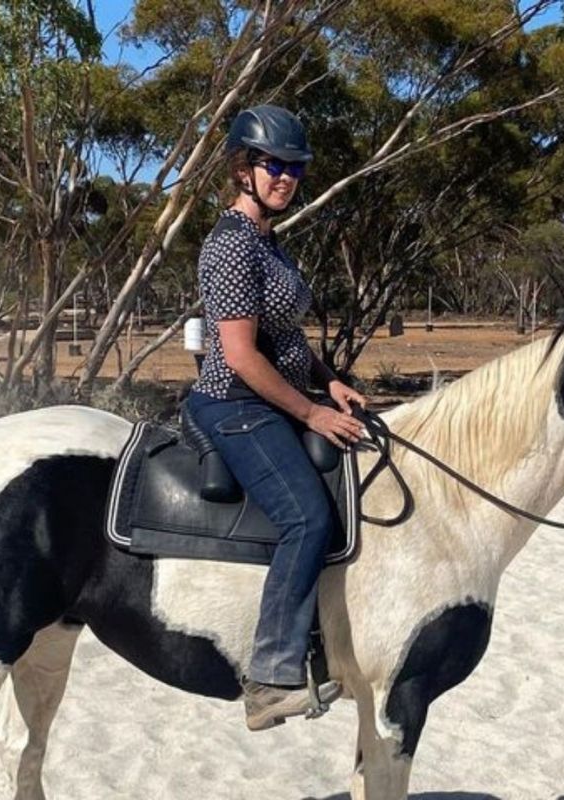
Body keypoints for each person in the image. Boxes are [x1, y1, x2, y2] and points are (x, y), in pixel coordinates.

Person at [185, 104, 366, 731]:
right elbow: (239, 355)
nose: (286, 177)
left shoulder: (268, 241)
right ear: (243, 169)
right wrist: (311, 412)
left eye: (295, 168)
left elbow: (285, 337)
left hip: (275, 397)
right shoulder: (232, 246)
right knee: (307, 518)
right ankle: (268, 678)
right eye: (274, 165)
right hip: (236, 403)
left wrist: (329, 380)